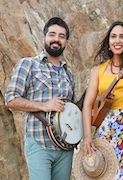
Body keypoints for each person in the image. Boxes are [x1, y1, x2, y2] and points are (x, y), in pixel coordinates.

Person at [5, 17, 76, 180]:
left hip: (65, 149)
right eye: (52, 34)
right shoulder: (28, 64)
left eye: (61, 36)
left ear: (66, 42)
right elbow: (11, 99)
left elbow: (72, 112)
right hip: (39, 142)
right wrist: (44, 106)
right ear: (44, 38)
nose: (56, 39)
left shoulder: (68, 74)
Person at [82, 21, 123, 179]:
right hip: (106, 131)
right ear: (108, 41)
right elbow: (87, 105)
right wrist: (87, 136)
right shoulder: (98, 69)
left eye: (122, 37)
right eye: (113, 37)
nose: (117, 41)